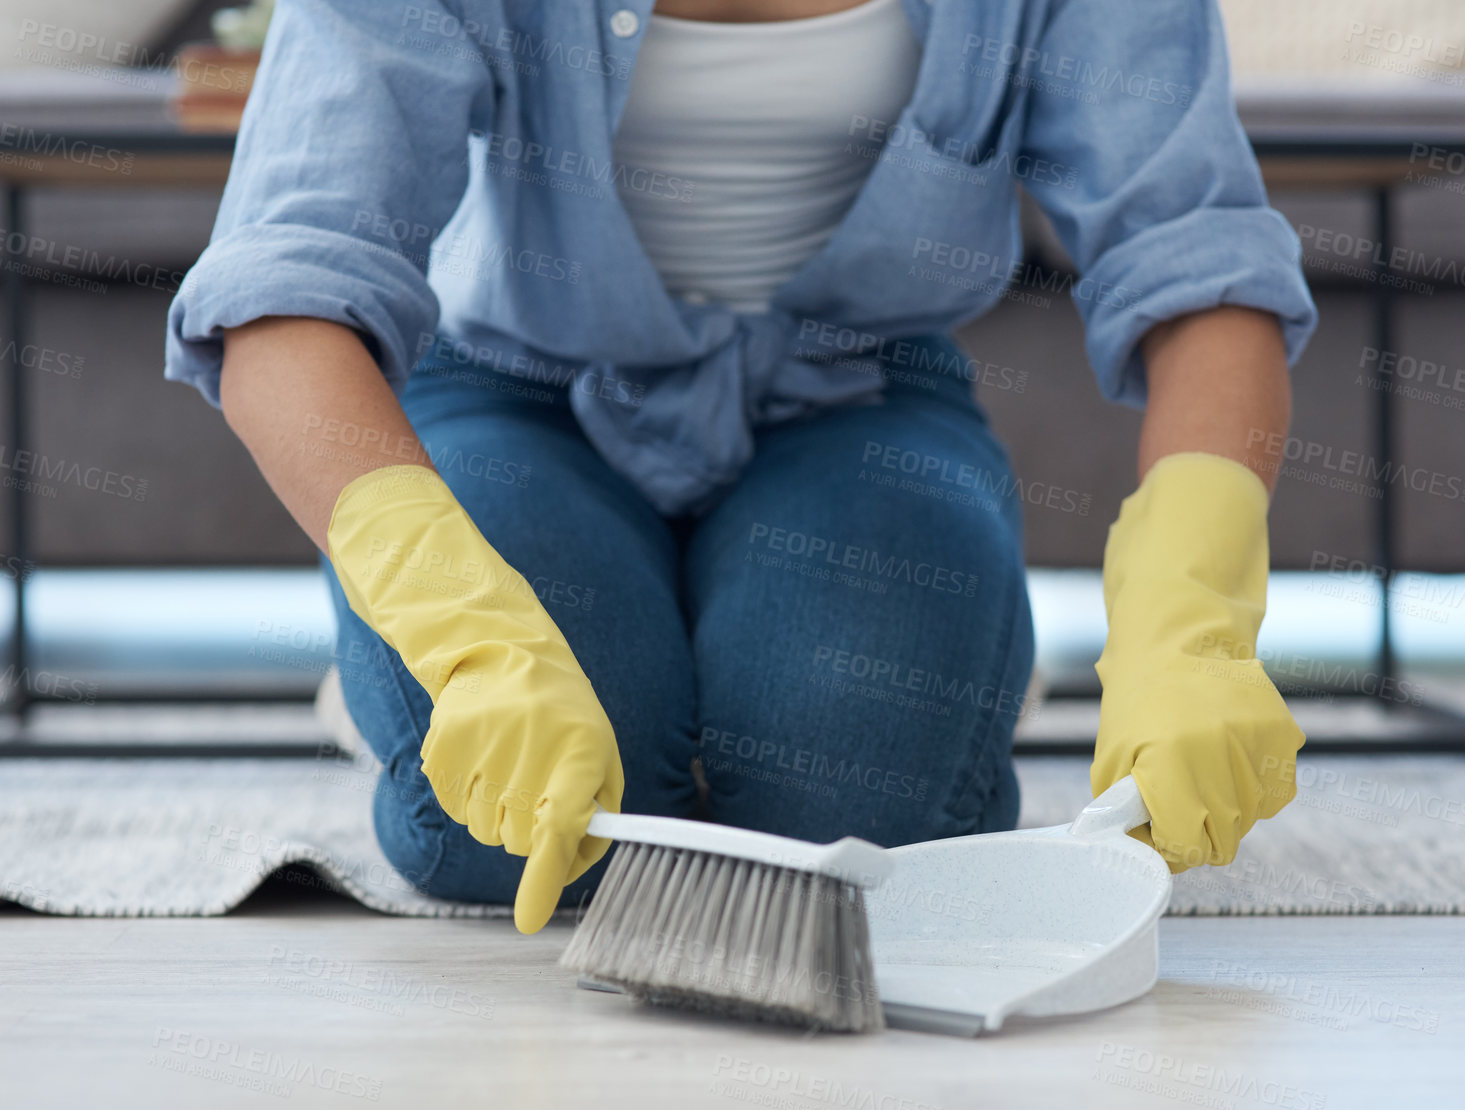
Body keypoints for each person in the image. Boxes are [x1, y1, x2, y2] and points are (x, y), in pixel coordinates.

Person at [167, 0, 1315, 934]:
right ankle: (455, 665)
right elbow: (286, 288)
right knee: (505, 835)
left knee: (853, 833)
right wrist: (453, 625)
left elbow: (1195, 260)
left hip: (857, 390)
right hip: (516, 383)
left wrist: (1191, 621)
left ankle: (749, 667)